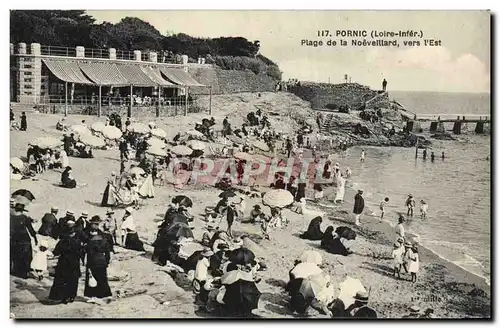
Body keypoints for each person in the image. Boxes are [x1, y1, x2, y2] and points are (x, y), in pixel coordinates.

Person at [48, 221, 83, 304]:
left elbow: (56, 252)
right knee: (73, 280)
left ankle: (62, 297)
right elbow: (81, 253)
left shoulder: (62, 241)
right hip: (74, 263)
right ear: (74, 233)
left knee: (62, 280)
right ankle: (71, 297)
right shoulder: (77, 242)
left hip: (63, 263)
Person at [84, 220, 112, 304]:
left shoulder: (90, 242)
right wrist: (106, 262)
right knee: (103, 279)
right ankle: (107, 295)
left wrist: (86, 263)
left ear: (92, 232)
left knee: (91, 279)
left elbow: (88, 253)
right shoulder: (104, 240)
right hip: (102, 261)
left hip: (93, 262)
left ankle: (92, 296)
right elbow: (108, 252)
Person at [10, 203, 38, 279]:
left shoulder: (11, 217)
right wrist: (35, 238)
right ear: (22, 210)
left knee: (16, 255)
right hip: (24, 239)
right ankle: (24, 273)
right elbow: (30, 229)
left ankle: (16, 271)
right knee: (26, 256)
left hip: (14, 239)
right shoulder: (24, 217)